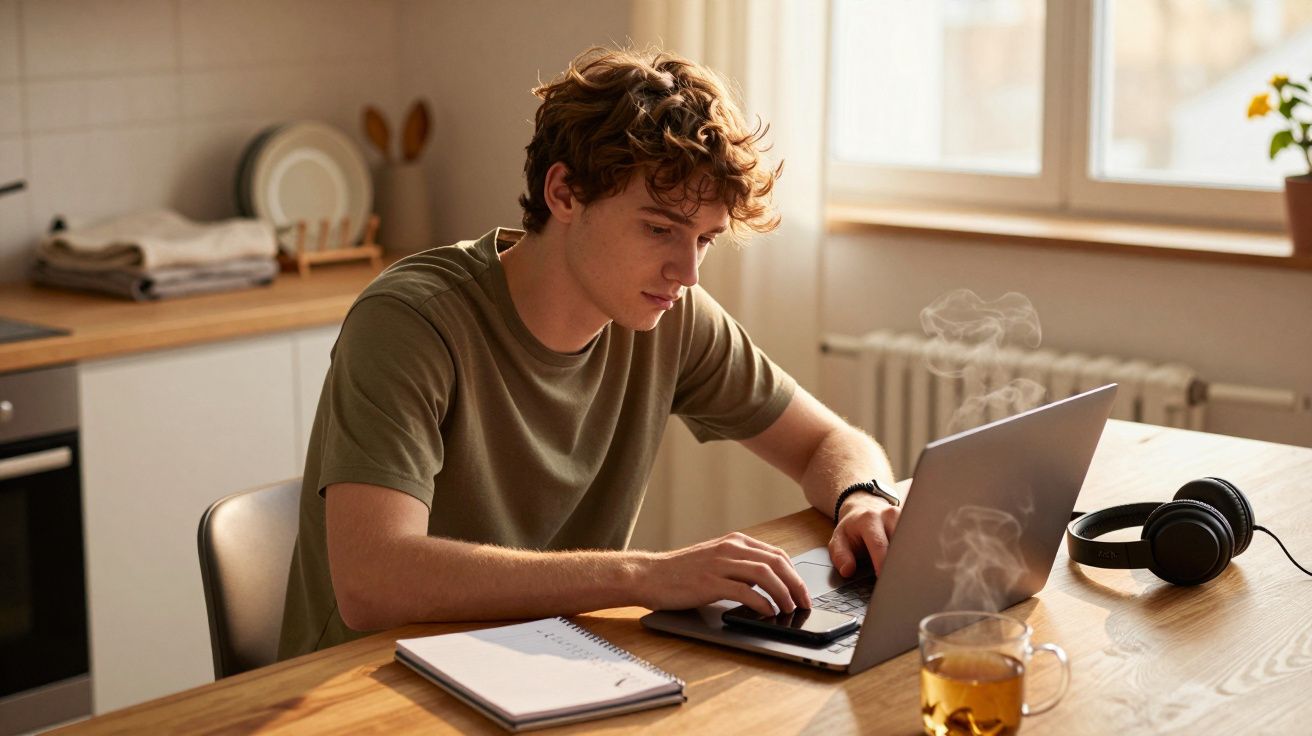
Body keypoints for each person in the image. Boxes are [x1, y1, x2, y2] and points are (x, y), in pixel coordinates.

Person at [278, 46, 898, 660]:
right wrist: (641, 577)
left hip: (542, 664)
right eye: (659, 229)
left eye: (703, 239)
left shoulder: (669, 316)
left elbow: (827, 443)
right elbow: (373, 581)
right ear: (565, 193)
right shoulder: (410, 322)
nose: (688, 272)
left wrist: (864, 495)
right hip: (365, 686)